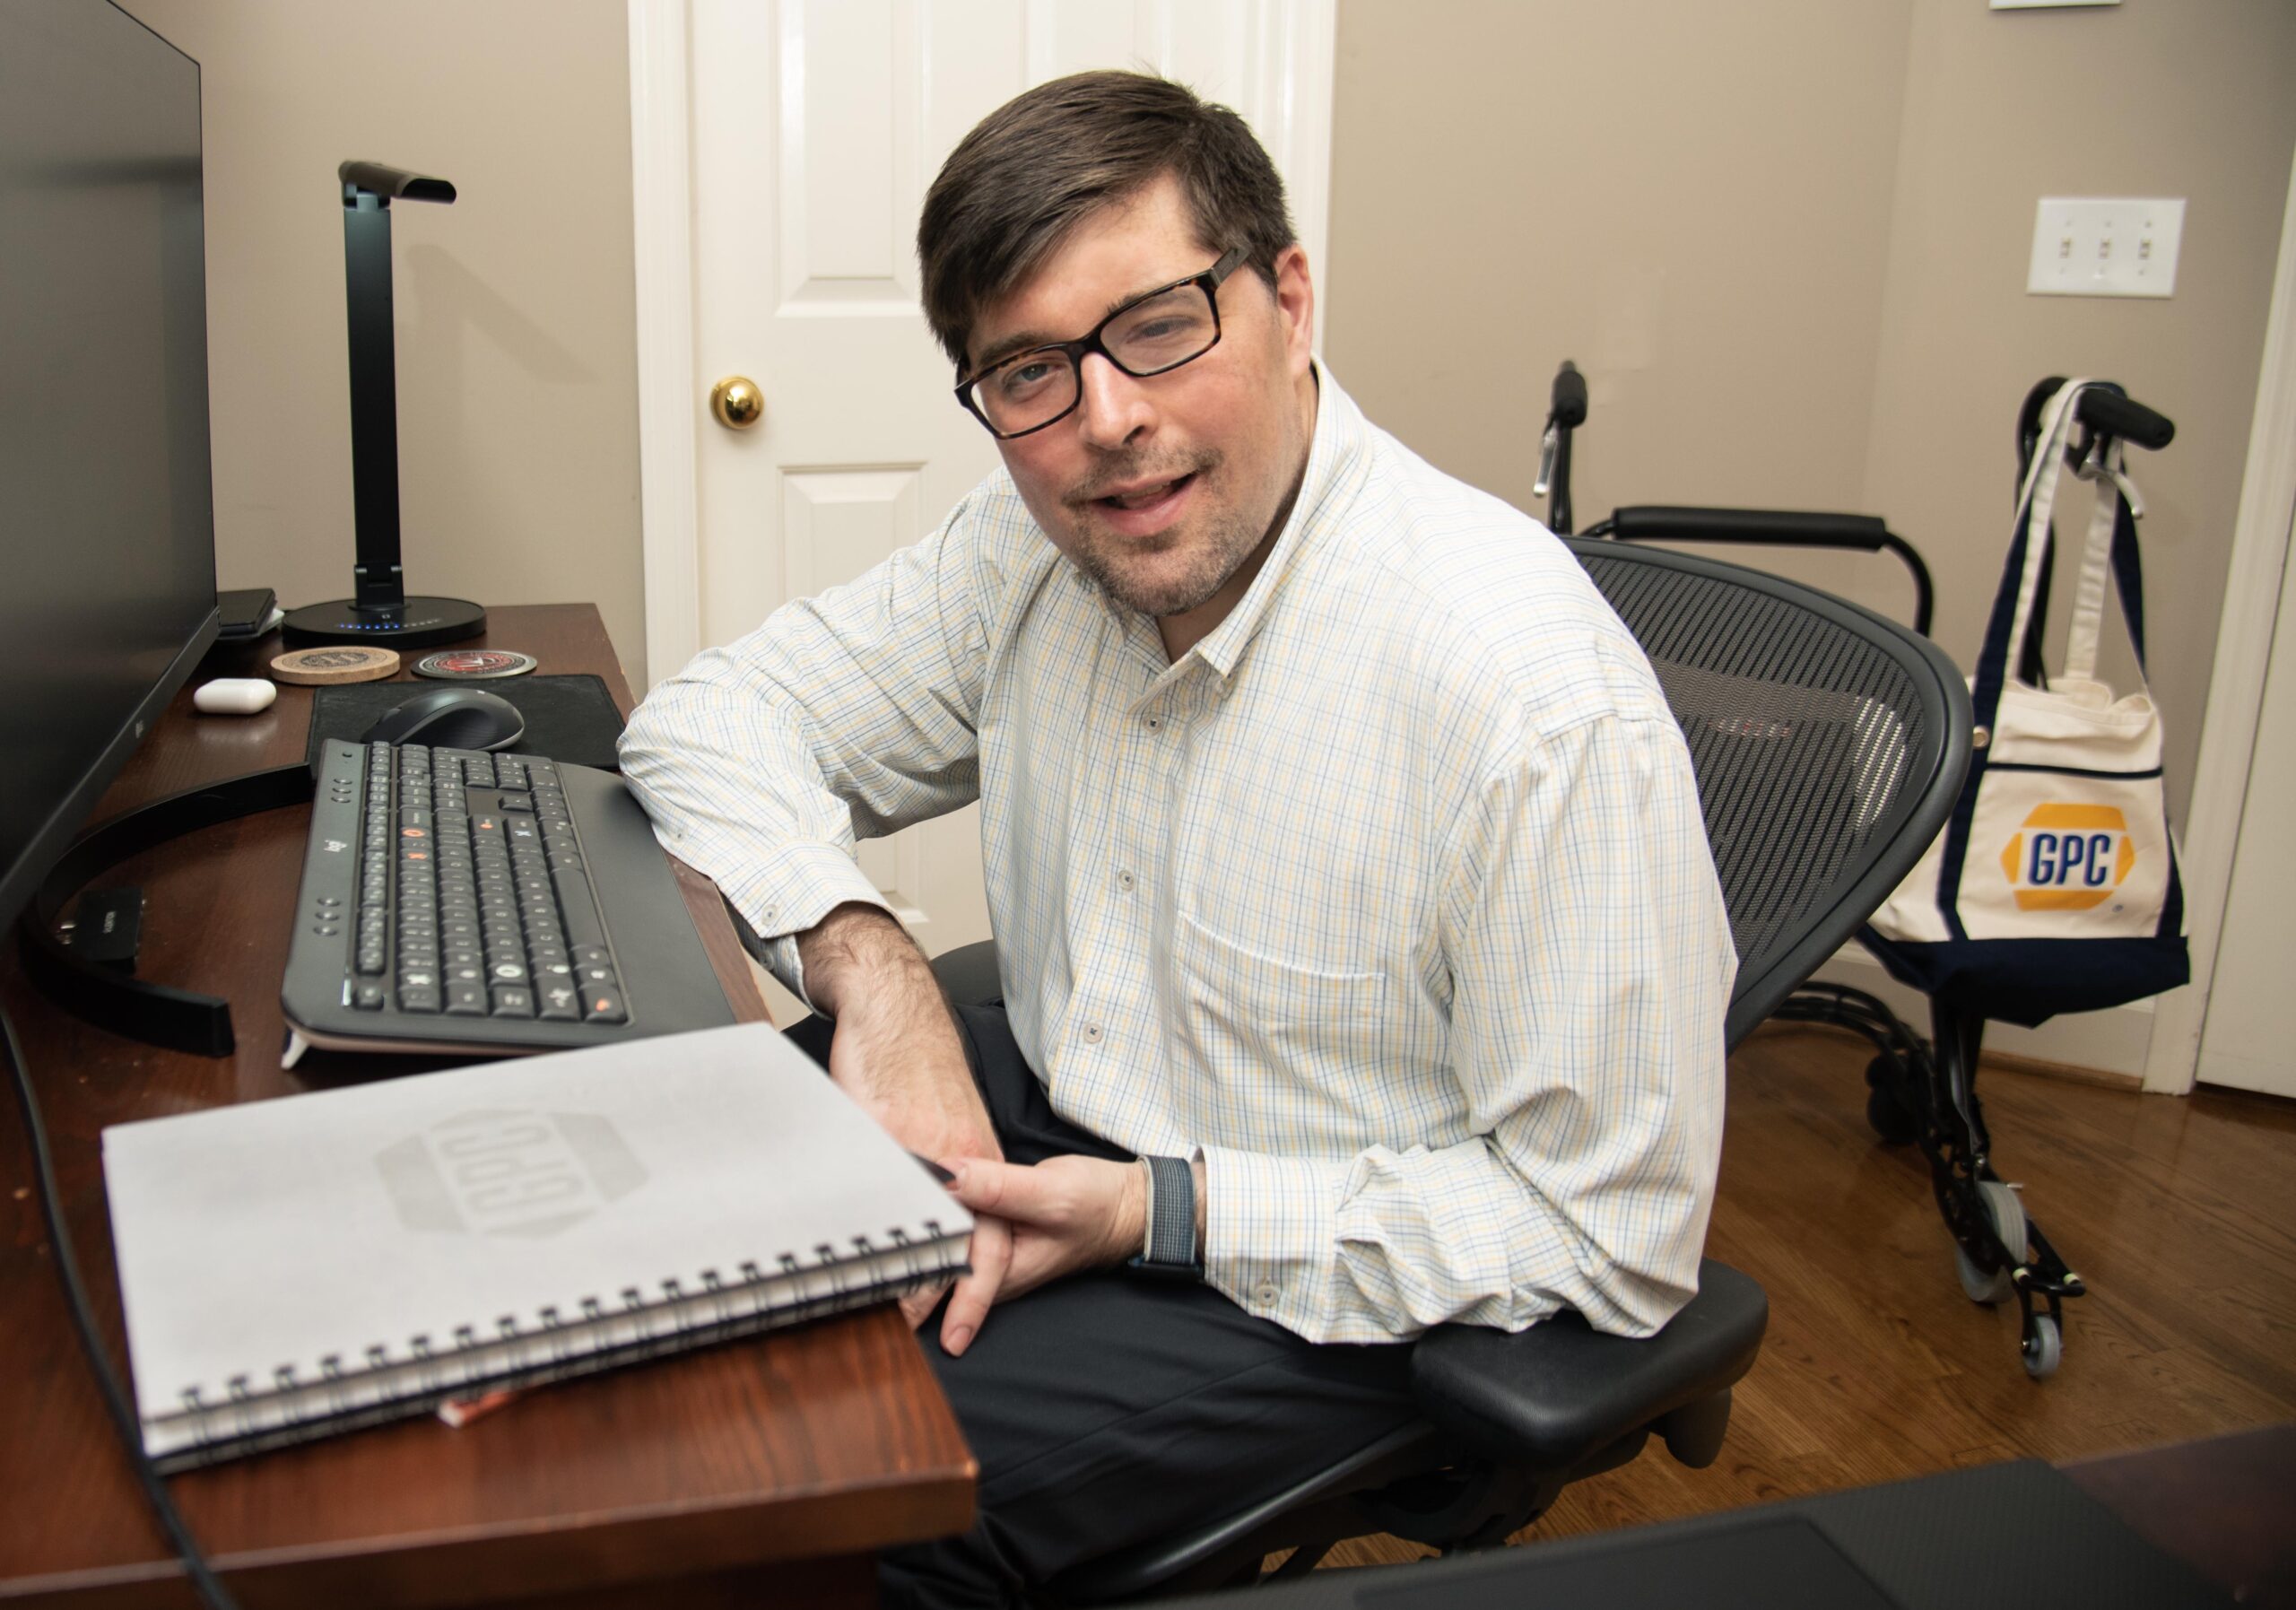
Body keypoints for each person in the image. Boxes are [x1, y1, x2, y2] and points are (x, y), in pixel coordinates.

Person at [620, 69, 1732, 1607]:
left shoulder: (1530, 704)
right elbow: (708, 721)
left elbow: (1605, 1230)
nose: (1108, 424)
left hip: (1318, 1271)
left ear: (1287, 298)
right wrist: (877, 973)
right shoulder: (1030, 550)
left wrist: (1160, 1211)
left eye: (1158, 330)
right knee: (622, 1253)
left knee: (816, 1488)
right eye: (1030, 374)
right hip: (1062, 1100)